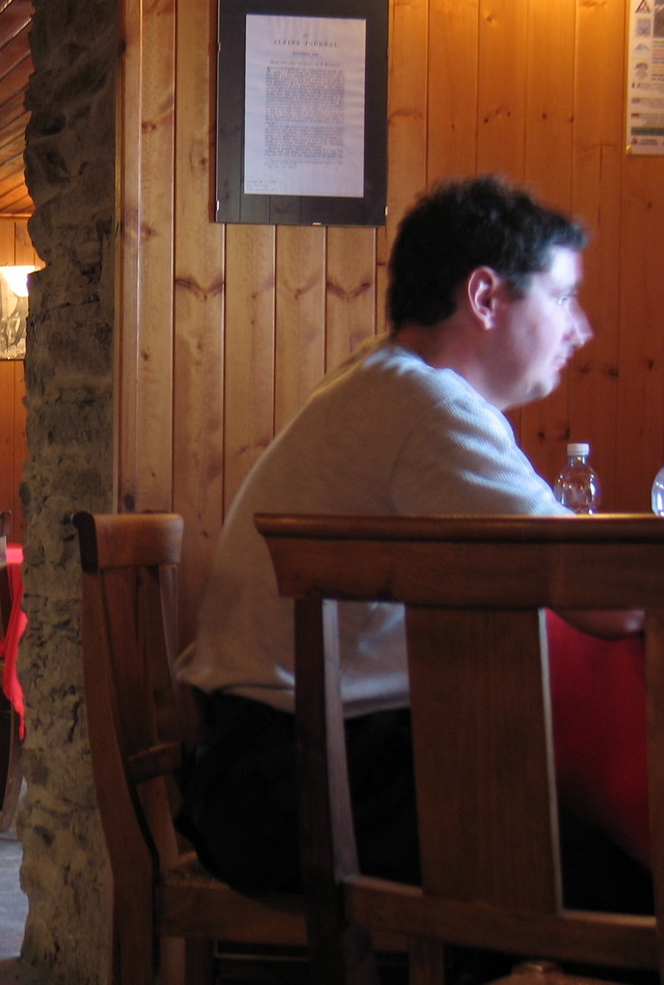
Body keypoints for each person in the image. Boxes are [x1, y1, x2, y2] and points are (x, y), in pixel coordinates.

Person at [174, 174, 648, 908]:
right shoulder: (426, 407)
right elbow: (612, 603)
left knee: (581, 838)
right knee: (628, 887)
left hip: (268, 766)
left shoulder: (389, 381)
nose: (578, 327)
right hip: (298, 787)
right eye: (560, 297)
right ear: (484, 297)